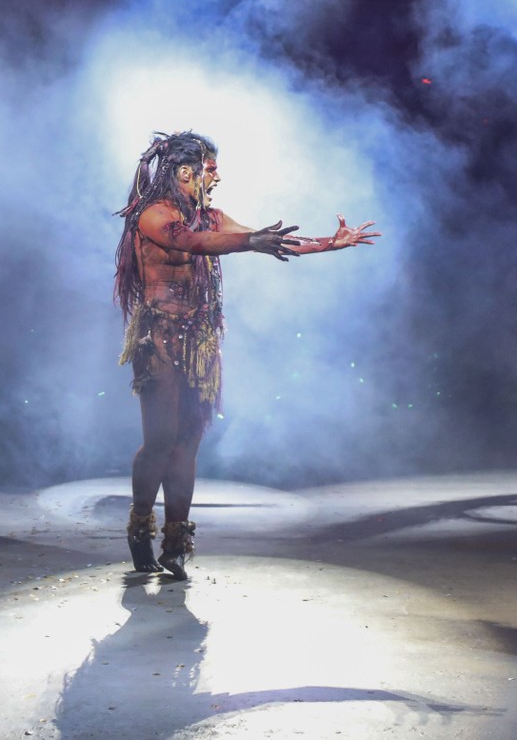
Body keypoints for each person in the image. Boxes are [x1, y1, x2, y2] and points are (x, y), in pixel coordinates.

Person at [113, 131, 379, 578]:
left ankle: (175, 543)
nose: (217, 177)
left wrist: (326, 244)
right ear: (186, 172)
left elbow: (265, 238)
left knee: (188, 442)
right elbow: (190, 243)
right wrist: (247, 242)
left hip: (200, 339)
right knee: (160, 440)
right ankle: (141, 527)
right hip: (158, 336)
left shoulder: (212, 217)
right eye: (210, 169)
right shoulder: (153, 215)